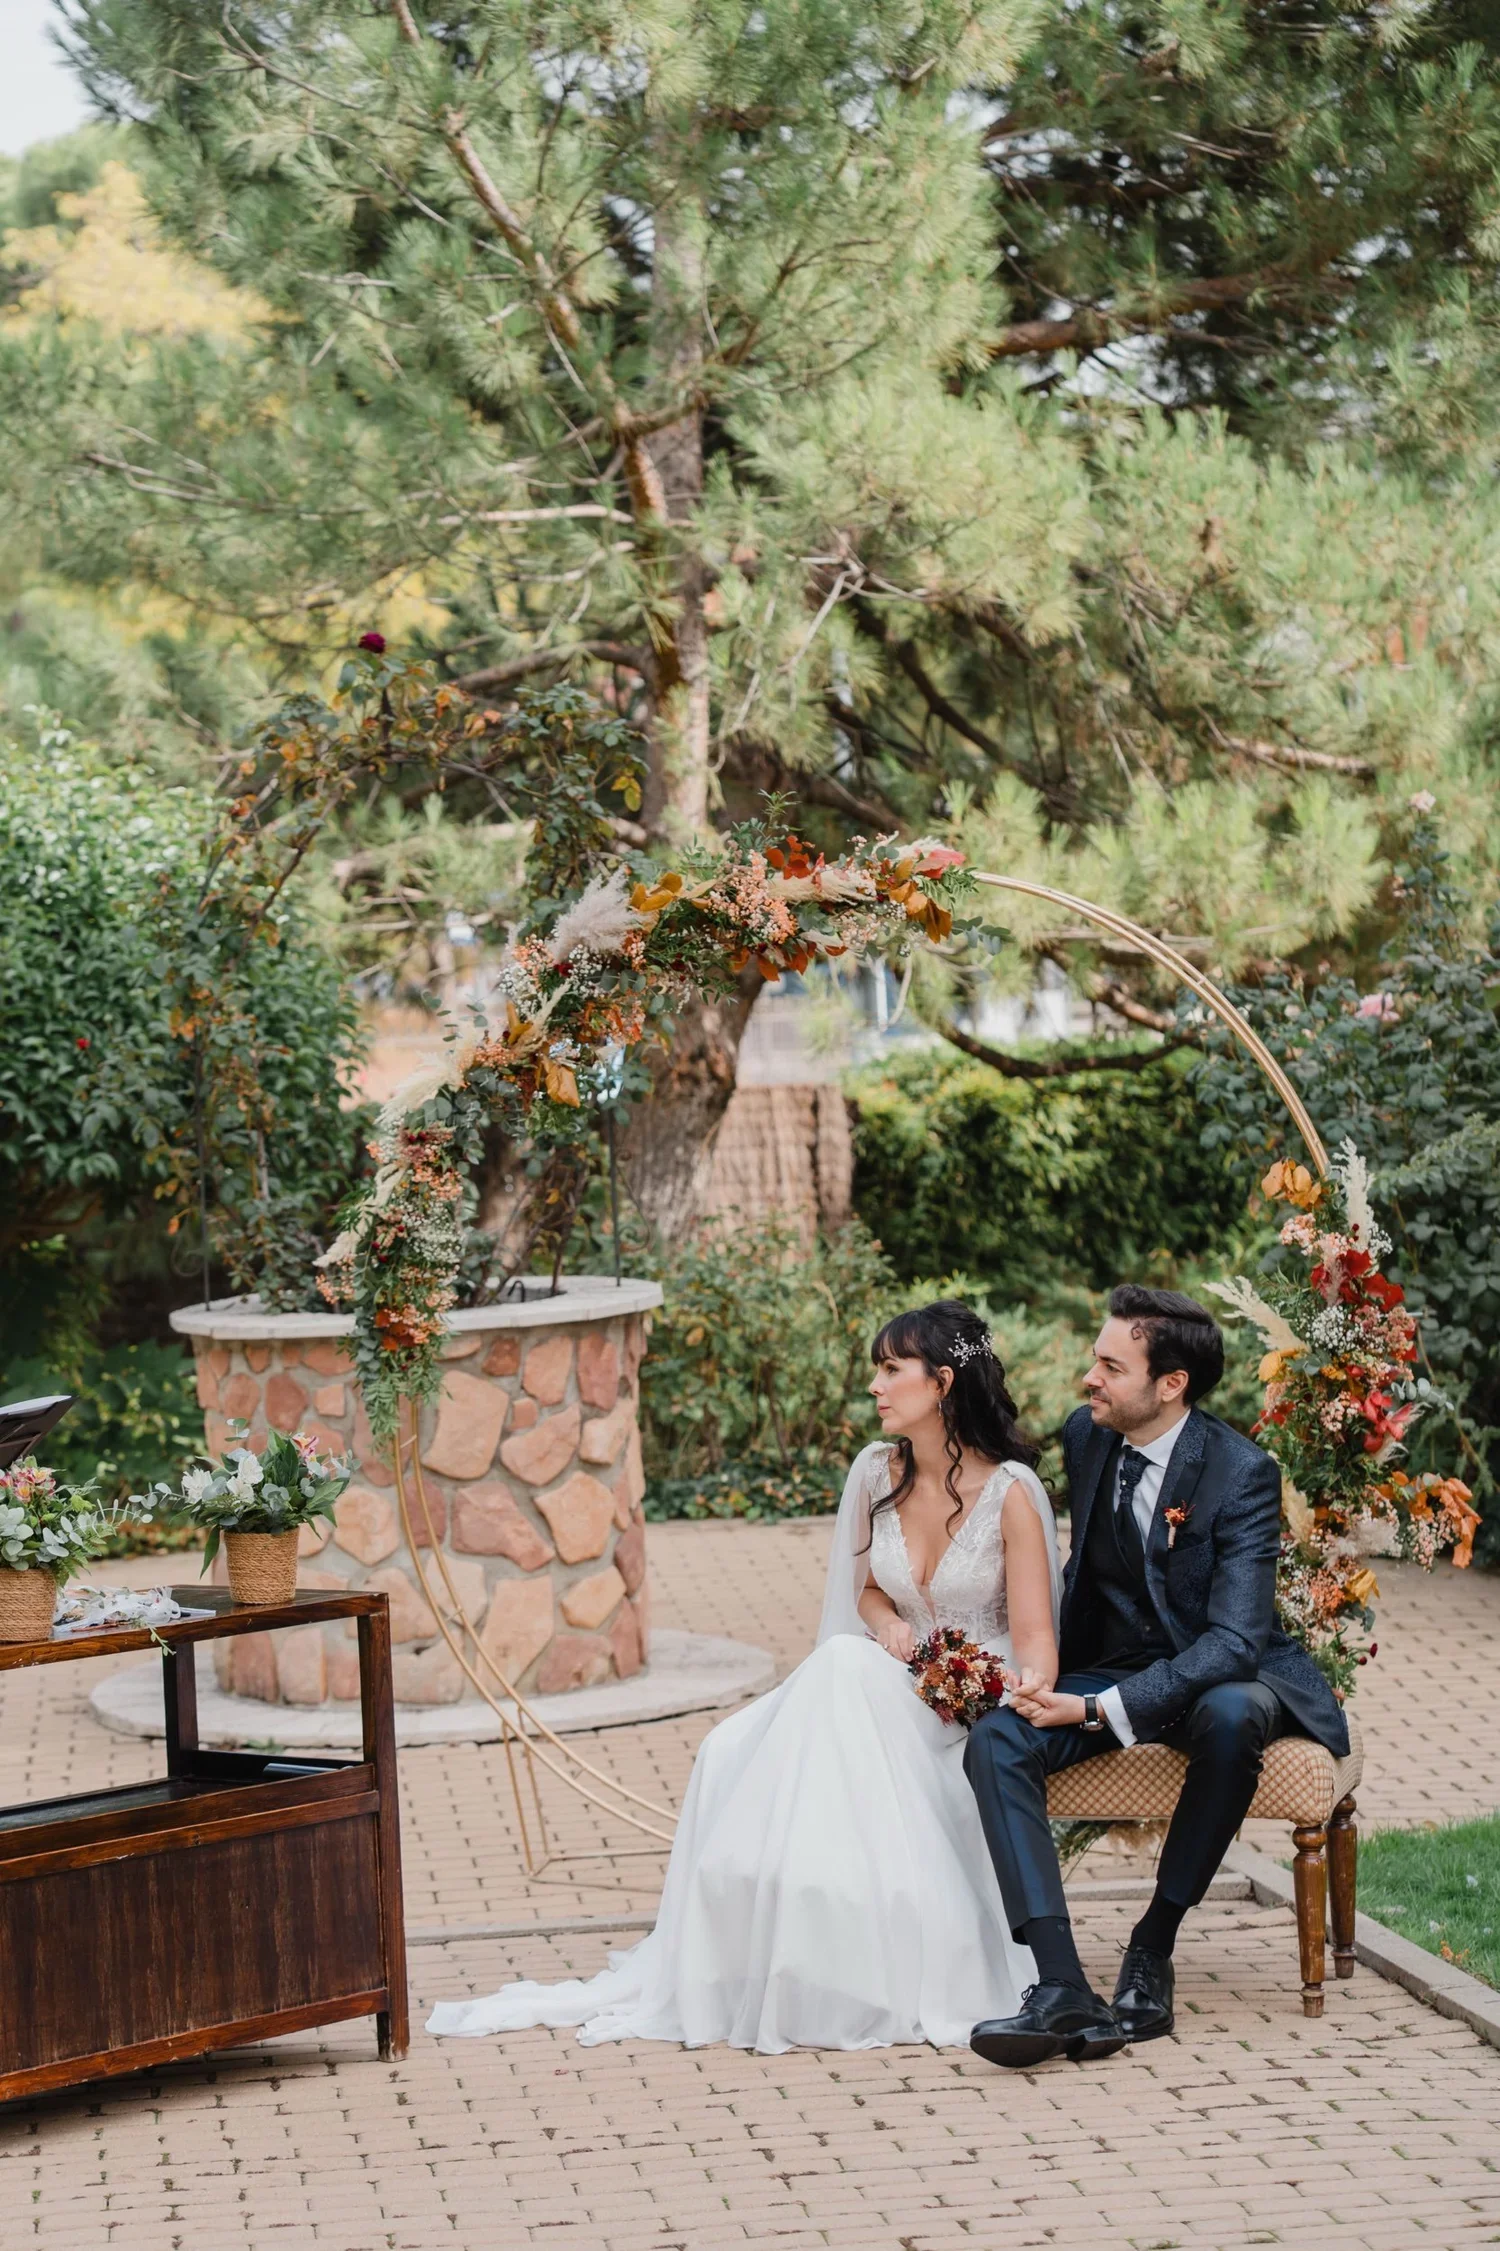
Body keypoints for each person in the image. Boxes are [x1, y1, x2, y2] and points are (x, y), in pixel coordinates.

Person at [427, 1299, 1064, 2054]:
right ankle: (777, 1957)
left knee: (837, 1673)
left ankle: (854, 1962)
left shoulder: (1010, 1494)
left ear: (944, 1382)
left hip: (966, 1706)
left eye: (892, 1368)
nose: (875, 1385)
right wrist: (888, 1625)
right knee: (732, 1744)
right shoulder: (876, 1472)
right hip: (889, 1678)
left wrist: (997, 1696)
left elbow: (1035, 1645)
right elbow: (867, 1592)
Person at [964, 1284, 1350, 2070]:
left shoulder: (1240, 1472)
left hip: (1218, 1670)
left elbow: (1234, 1641)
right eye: (1095, 1360)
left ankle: (1152, 1944)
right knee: (997, 1739)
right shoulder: (1088, 1434)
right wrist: (1043, 1674)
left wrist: (1096, 1708)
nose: (1090, 1377)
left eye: (1112, 1366)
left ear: (1171, 1383)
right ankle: (1061, 1982)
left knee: (1234, 1716)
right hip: (1112, 1658)